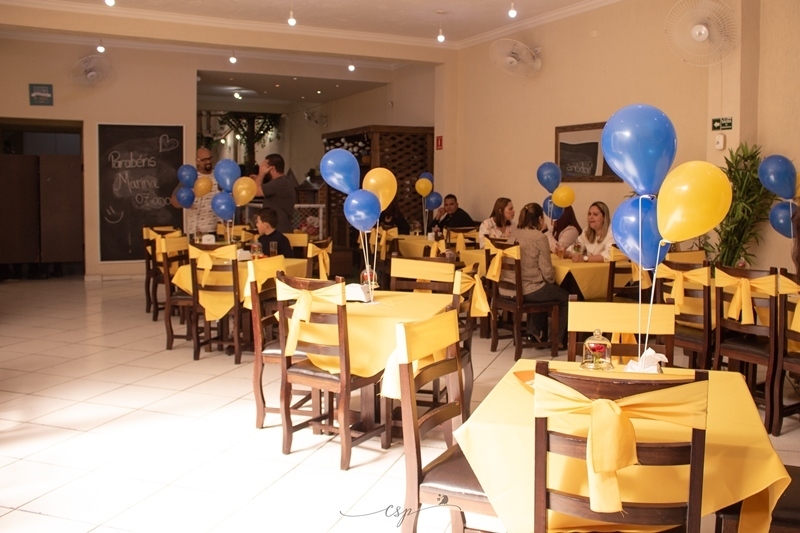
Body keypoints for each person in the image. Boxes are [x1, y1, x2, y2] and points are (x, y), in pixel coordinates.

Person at [503, 202, 569, 346]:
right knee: (564, 296)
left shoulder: (514, 233)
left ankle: (534, 331)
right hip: (527, 290)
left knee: (543, 287)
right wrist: (551, 280)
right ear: (540, 219)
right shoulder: (539, 237)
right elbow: (547, 273)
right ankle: (558, 340)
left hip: (507, 289)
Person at [171, 147, 221, 236]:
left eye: (210, 158)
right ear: (197, 161)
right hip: (196, 231)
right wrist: (186, 201)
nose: (208, 162)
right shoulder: (191, 177)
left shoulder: (218, 176)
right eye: (204, 160)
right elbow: (174, 200)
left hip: (217, 229)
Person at [252, 153, 297, 234]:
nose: (262, 169)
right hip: (279, 231)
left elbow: (255, 191)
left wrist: (261, 174)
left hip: (279, 231)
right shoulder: (284, 182)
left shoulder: (280, 183)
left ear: (272, 168)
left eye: (264, 167)